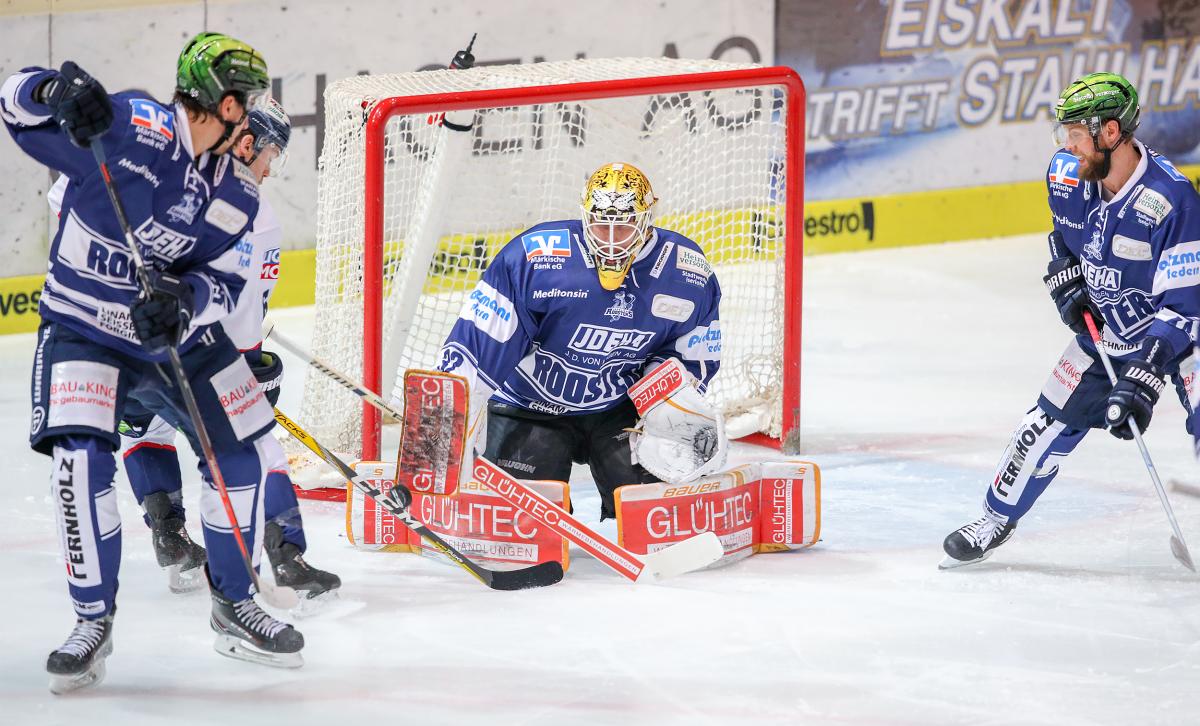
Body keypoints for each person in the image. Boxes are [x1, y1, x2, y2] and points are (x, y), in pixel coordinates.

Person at [2, 32, 303, 694]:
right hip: (84, 325)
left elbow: (226, 281)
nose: (256, 120)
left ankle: (235, 603)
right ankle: (91, 620)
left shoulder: (239, 196)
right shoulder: (132, 128)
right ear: (221, 105)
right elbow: (14, 107)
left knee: (244, 446)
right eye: (247, 103)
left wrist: (186, 300)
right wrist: (53, 91)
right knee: (79, 457)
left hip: (178, 341)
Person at [941, 72, 1200, 568]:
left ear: (1110, 133)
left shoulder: (1172, 201)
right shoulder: (1066, 175)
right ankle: (995, 518)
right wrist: (1064, 276)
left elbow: (1184, 307)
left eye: (1077, 133)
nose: (1068, 144)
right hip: (1105, 332)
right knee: (1039, 428)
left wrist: (1142, 380)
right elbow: (1064, 237)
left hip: (1179, 337)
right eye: (1064, 133)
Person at [110, 97, 340, 600]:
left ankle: (170, 541)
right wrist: (255, 374)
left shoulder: (155, 170)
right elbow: (239, 326)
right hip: (195, 359)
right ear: (248, 142)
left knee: (146, 428)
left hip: (126, 349)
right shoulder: (255, 213)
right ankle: (288, 561)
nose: (270, 171)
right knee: (258, 447)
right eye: (271, 155)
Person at [426, 161, 725, 519]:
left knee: (651, 513)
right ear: (585, 217)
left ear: (646, 220)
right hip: (531, 408)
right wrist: (444, 430)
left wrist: (667, 408)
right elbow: (477, 347)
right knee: (524, 524)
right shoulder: (535, 259)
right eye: (602, 225)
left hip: (619, 411)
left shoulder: (688, 273)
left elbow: (692, 357)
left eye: (626, 225)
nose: (612, 240)